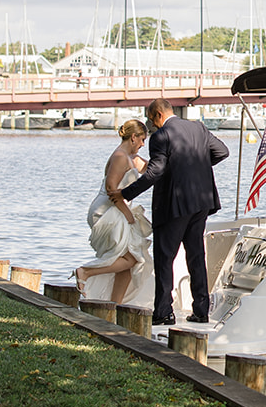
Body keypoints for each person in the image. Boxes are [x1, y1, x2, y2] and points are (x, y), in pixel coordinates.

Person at [115, 98, 229, 325]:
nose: (152, 126)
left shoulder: (161, 136)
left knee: (165, 258)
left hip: (173, 205)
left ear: (158, 114)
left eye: (151, 120)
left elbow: (156, 171)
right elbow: (222, 151)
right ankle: (201, 310)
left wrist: (126, 193)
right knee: (196, 256)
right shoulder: (199, 127)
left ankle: (164, 312)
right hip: (201, 202)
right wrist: (196, 169)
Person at [75, 119, 153, 305]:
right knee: (132, 258)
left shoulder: (132, 158)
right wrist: (127, 214)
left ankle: (115, 305)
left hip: (118, 209)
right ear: (133, 137)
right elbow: (111, 188)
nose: (143, 144)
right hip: (107, 211)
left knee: (127, 263)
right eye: (142, 139)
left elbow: (153, 169)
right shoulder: (119, 156)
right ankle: (85, 272)